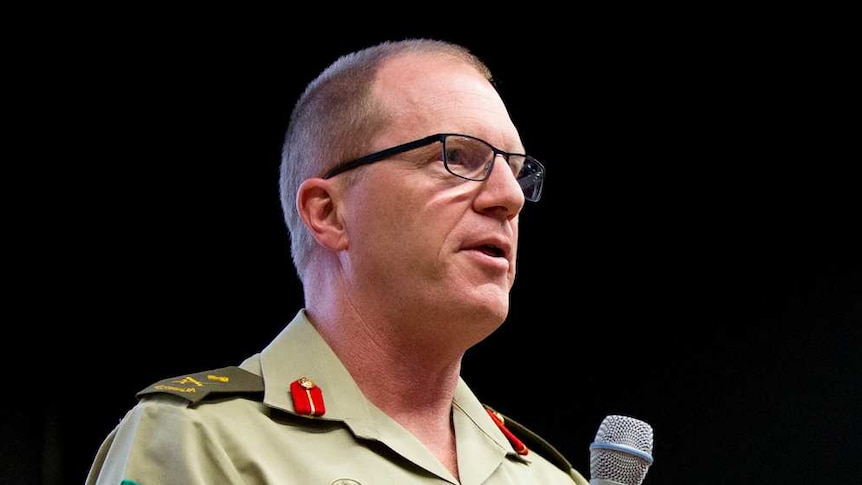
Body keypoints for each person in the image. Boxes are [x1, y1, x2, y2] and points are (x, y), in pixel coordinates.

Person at [86, 38, 589, 484]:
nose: (510, 197)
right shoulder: (201, 444)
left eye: (518, 172)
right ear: (328, 213)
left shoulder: (548, 477)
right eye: (456, 156)